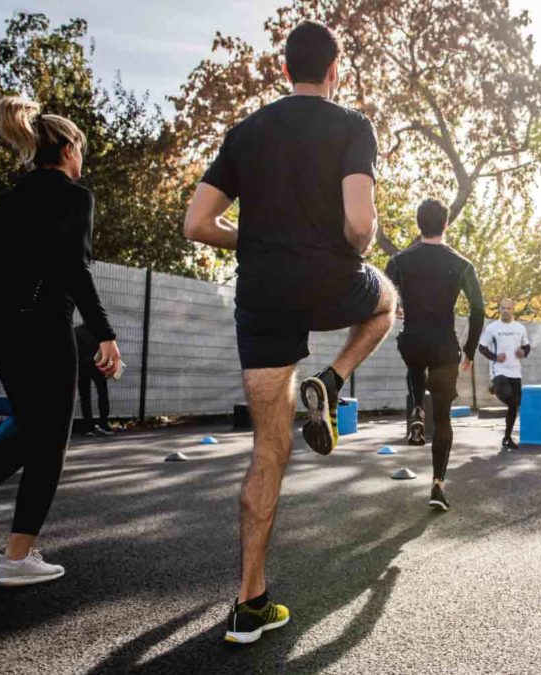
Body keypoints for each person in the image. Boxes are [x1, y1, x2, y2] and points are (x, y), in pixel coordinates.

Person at [182, 20, 396, 644]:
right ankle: (332, 378)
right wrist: (361, 242)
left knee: (267, 451)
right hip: (332, 284)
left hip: (263, 296)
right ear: (334, 72)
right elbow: (360, 223)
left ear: (284, 71)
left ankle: (250, 603)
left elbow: (197, 223)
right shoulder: (352, 126)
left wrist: (251, 240)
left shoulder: (245, 133)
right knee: (386, 302)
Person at [0, 96, 121, 586]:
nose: (83, 160)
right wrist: (105, 334)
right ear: (69, 148)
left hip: (0, 327)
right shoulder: (75, 197)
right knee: (50, 439)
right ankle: (17, 557)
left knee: (31, 428)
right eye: (82, 150)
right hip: (41, 326)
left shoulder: (15, 196)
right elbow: (75, 270)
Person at [386, 199, 485, 511]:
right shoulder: (462, 264)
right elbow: (479, 309)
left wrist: (396, 308)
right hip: (444, 347)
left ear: (418, 224)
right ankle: (438, 485)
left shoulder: (400, 261)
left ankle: (416, 407)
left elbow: (382, 296)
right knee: (443, 418)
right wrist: (469, 351)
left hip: (412, 340)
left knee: (415, 363)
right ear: (446, 224)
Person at [478, 298, 530, 449]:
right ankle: (495, 386)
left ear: (513, 309)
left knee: (515, 405)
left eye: (508, 308)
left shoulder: (520, 328)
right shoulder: (492, 328)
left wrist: (523, 352)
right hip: (499, 370)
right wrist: (495, 357)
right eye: (503, 308)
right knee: (508, 396)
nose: (505, 311)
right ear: (499, 310)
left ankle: (507, 438)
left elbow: (527, 347)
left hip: (515, 371)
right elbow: (482, 348)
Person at [75, 323, 112, 436]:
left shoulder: (76, 331)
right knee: (102, 394)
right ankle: (104, 425)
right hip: (98, 366)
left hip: (82, 366)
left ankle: (89, 427)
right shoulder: (100, 330)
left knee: (85, 397)